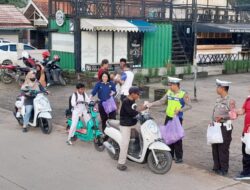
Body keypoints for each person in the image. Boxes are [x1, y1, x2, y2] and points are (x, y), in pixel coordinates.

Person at [146, 77, 191, 163]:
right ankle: (170, 155)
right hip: (168, 117)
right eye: (170, 85)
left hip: (177, 118)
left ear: (176, 85)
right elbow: (161, 101)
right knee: (168, 136)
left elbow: (189, 106)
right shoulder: (169, 92)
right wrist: (151, 104)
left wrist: (180, 110)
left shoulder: (183, 94)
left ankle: (179, 157)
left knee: (177, 137)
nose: (170, 86)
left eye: (171, 85)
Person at [117, 86, 146, 171]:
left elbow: (135, 109)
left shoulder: (133, 100)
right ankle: (120, 163)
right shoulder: (126, 102)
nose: (138, 95)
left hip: (133, 123)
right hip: (125, 125)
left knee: (143, 133)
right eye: (137, 94)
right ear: (132, 94)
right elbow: (132, 112)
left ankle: (139, 152)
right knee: (125, 143)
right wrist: (141, 111)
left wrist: (143, 109)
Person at [211, 79, 235, 176]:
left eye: (218, 87)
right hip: (216, 126)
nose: (216, 89)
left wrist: (223, 117)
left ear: (223, 88)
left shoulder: (230, 101)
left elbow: (234, 115)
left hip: (225, 127)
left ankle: (224, 169)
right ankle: (216, 166)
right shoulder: (218, 99)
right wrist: (211, 122)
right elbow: (213, 112)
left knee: (223, 148)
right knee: (215, 147)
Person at [234, 96, 250, 180]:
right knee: (245, 151)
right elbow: (242, 111)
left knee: (248, 152)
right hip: (246, 131)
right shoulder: (248, 99)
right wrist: (234, 109)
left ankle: (247, 173)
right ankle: (246, 171)